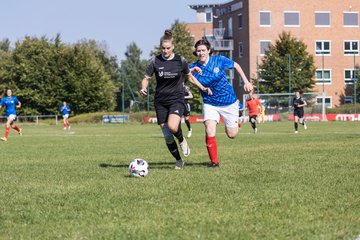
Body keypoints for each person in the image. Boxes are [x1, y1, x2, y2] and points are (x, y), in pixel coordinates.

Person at [140, 30, 211, 169]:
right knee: (167, 136)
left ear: (173, 47)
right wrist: (143, 88)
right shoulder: (155, 61)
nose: (165, 51)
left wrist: (202, 87)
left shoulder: (180, 60)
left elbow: (190, 76)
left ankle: (182, 139)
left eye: (168, 48)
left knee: (173, 126)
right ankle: (178, 160)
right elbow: (146, 78)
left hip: (176, 98)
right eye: (163, 48)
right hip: (160, 100)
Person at [189, 39, 253, 168]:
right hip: (210, 103)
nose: (201, 53)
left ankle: (236, 120)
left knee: (232, 134)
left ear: (208, 51)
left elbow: (236, 66)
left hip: (229, 102)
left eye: (203, 50)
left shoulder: (219, 60)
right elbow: (183, 75)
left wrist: (246, 81)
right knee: (209, 128)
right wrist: (191, 71)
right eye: (198, 51)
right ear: (195, 52)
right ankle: (214, 163)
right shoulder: (193, 67)